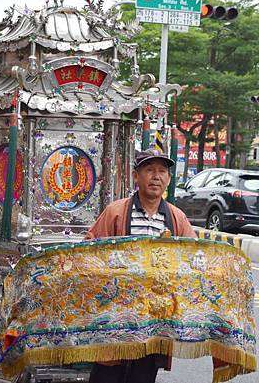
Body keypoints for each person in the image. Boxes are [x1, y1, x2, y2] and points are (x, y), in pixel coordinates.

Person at [85, 148, 196, 383]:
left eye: (162, 171)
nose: (156, 176)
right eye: (149, 170)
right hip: (116, 320)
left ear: (168, 179)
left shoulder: (177, 218)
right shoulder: (115, 212)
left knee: (143, 377)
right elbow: (89, 252)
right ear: (136, 176)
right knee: (107, 375)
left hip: (153, 323)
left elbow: (192, 259)